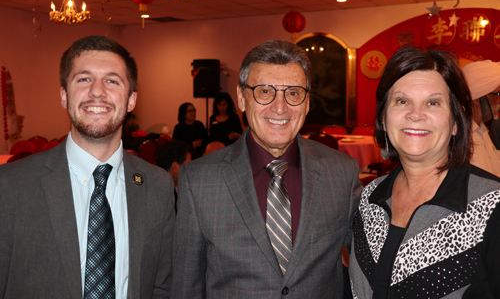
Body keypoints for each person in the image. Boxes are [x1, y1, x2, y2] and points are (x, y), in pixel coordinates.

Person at [172, 40, 362, 298]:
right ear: (241, 98)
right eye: (264, 91)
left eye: (293, 93)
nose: (280, 107)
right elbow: (187, 286)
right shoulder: (199, 181)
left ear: (307, 102)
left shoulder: (341, 173)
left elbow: (365, 273)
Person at [0, 36, 175, 298]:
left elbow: (163, 286)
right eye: (83, 79)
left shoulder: (158, 186)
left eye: (112, 81)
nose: (97, 91)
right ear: (63, 95)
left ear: (131, 100)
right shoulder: (9, 187)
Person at [349, 47, 500, 298]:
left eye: (433, 102)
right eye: (402, 101)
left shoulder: (492, 205)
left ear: (455, 123)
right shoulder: (370, 198)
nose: (415, 115)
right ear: (384, 119)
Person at [462, 60, 500, 176]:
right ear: (477, 98)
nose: (498, 101)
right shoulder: (463, 138)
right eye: (497, 94)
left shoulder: (482, 131)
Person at [156, 139, 192, 212]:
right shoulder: (162, 194)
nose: (191, 170)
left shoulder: (162, 182)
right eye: (189, 166)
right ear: (175, 166)